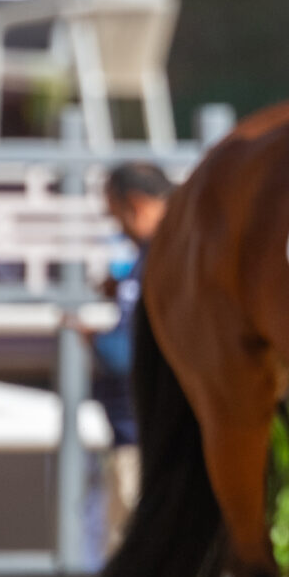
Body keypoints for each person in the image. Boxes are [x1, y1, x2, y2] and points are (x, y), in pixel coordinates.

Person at [93, 162, 171, 556]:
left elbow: (124, 355)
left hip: (150, 436)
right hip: (144, 434)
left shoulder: (165, 257)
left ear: (136, 204)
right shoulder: (151, 259)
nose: (117, 227)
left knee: (139, 552)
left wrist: (94, 338)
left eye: (116, 214)